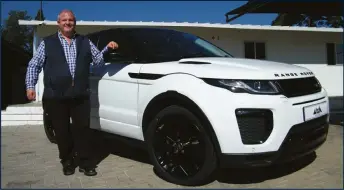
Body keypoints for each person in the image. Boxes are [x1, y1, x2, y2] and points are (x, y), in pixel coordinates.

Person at [25, 9, 118, 176]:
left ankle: (85, 162)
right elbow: (34, 65)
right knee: (62, 131)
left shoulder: (84, 41)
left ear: (75, 22)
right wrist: (30, 86)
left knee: (82, 130)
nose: (68, 23)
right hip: (56, 96)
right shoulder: (47, 43)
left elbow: (97, 62)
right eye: (64, 20)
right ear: (58, 23)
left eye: (71, 20)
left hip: (80, 95)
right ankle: (67, 161)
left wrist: (107, 49)